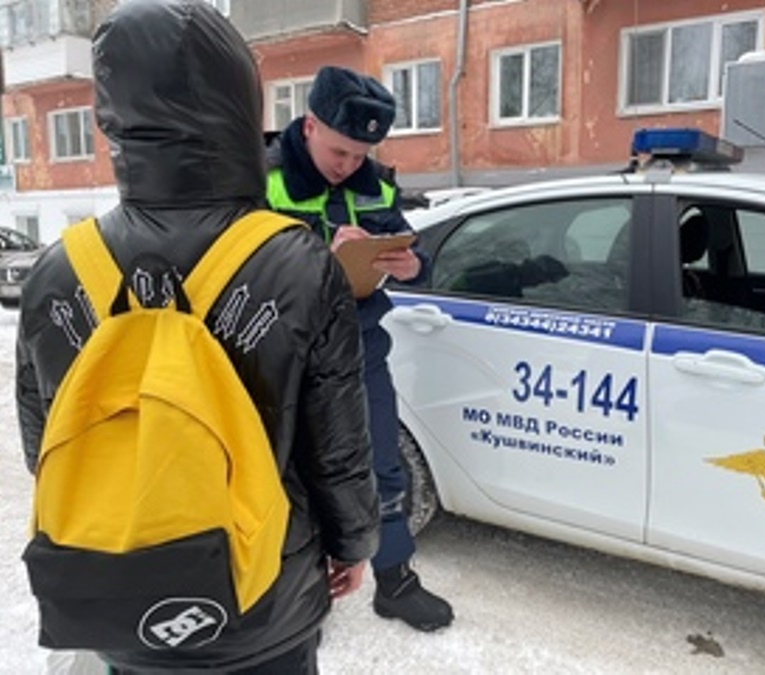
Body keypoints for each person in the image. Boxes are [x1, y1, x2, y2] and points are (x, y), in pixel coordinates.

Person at [15, 1, 379, 672]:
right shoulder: (297, 263)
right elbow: (337, 448)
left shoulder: (56, 271)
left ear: (111, 114)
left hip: (115, 595)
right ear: (239, 106)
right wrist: (354, 543)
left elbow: (47, 444)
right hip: (264, 598)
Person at [266, 66, 454, 632]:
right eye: (339, 151)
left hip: (360, 347)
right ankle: (301, 597)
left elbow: (412, 251)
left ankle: (394, 582)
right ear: (309, 126)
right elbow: (240, 267)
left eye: (360, 154)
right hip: (285, 351)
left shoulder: (376, 185)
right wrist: (322, 255)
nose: (349, 165)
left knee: (380, 464)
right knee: (291, 474)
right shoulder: (262, 180)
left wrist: (412, 264)